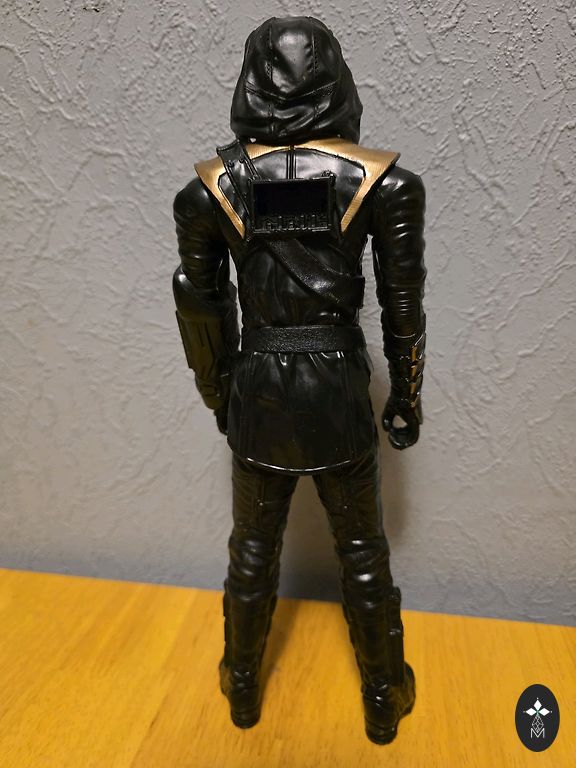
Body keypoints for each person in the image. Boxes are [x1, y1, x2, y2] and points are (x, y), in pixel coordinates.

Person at [172, 16, 426, 745]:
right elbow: (403, 306)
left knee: (253, 552)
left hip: (258, 389)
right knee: (363, 552)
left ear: (251, 82)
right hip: (339, 388)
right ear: (336, 78)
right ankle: (383, 696)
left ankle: (242, 688)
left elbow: (199, 305)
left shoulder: (209, 191)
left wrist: (219, 394)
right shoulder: (386, 185)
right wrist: (406, 395)